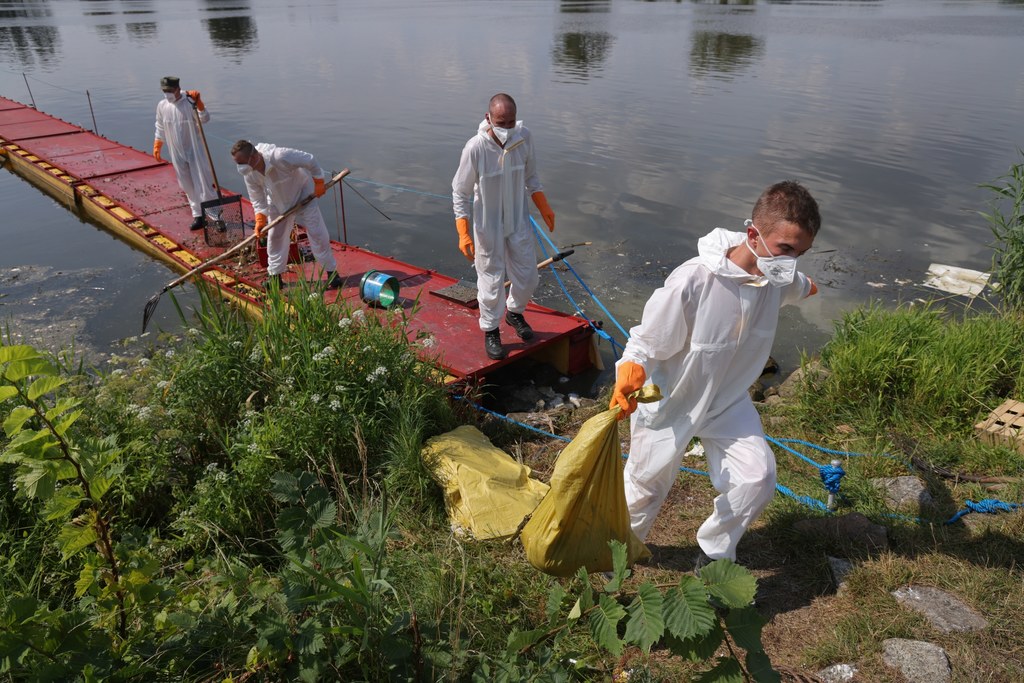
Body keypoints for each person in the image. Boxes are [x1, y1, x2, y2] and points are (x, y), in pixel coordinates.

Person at [609, 180, 821, 568]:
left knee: (758, 477)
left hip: (728, 402)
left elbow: (802, 285)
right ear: (753, 234)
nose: (790, 262)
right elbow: (645, 342)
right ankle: (617, 554)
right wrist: (631, 370)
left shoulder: (780, 278)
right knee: (645, 488)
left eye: (801, 253)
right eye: (786, 249)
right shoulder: (692, 281)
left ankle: (714, 554)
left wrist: (808, 287)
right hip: (673, 402)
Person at [452, 93, 556, 361]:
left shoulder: (524, 138)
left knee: (529, 275)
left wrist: (543, 205)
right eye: (501, 122)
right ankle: (491, 329)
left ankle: (514, 312)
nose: (507, 127)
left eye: (511, 122)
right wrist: (463, 231)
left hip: (518, 218)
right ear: (489, 118)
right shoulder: (475, 148)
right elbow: (460, 192)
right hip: (488, 223)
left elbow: (531, 177)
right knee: (490, 277)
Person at [230, 139, 342, 289]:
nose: (241, 168)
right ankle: (275, 278)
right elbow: (257, 198)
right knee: (275, 236)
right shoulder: (249, 173)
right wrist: (260, 218)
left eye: (242, 163)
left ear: (254, 156)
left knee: (317, 233)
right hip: (277, 200)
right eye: (238, 164)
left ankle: (332, 273)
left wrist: (319, 181)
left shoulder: (279, 156)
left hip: (303, 193)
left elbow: (310, 160)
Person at [153, 76, 218, 231]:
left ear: (177, 89)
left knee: (204, 183)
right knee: (187, 184)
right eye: (164, 91)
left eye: (169, 90)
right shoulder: (162, 106)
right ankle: (198, 215)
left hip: (194, 150)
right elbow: (160, 125)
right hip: (176, 152)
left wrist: (200, 104)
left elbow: (205, 119)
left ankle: (216, 217)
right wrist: (158, 143)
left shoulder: (189, 102)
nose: (167, 94)